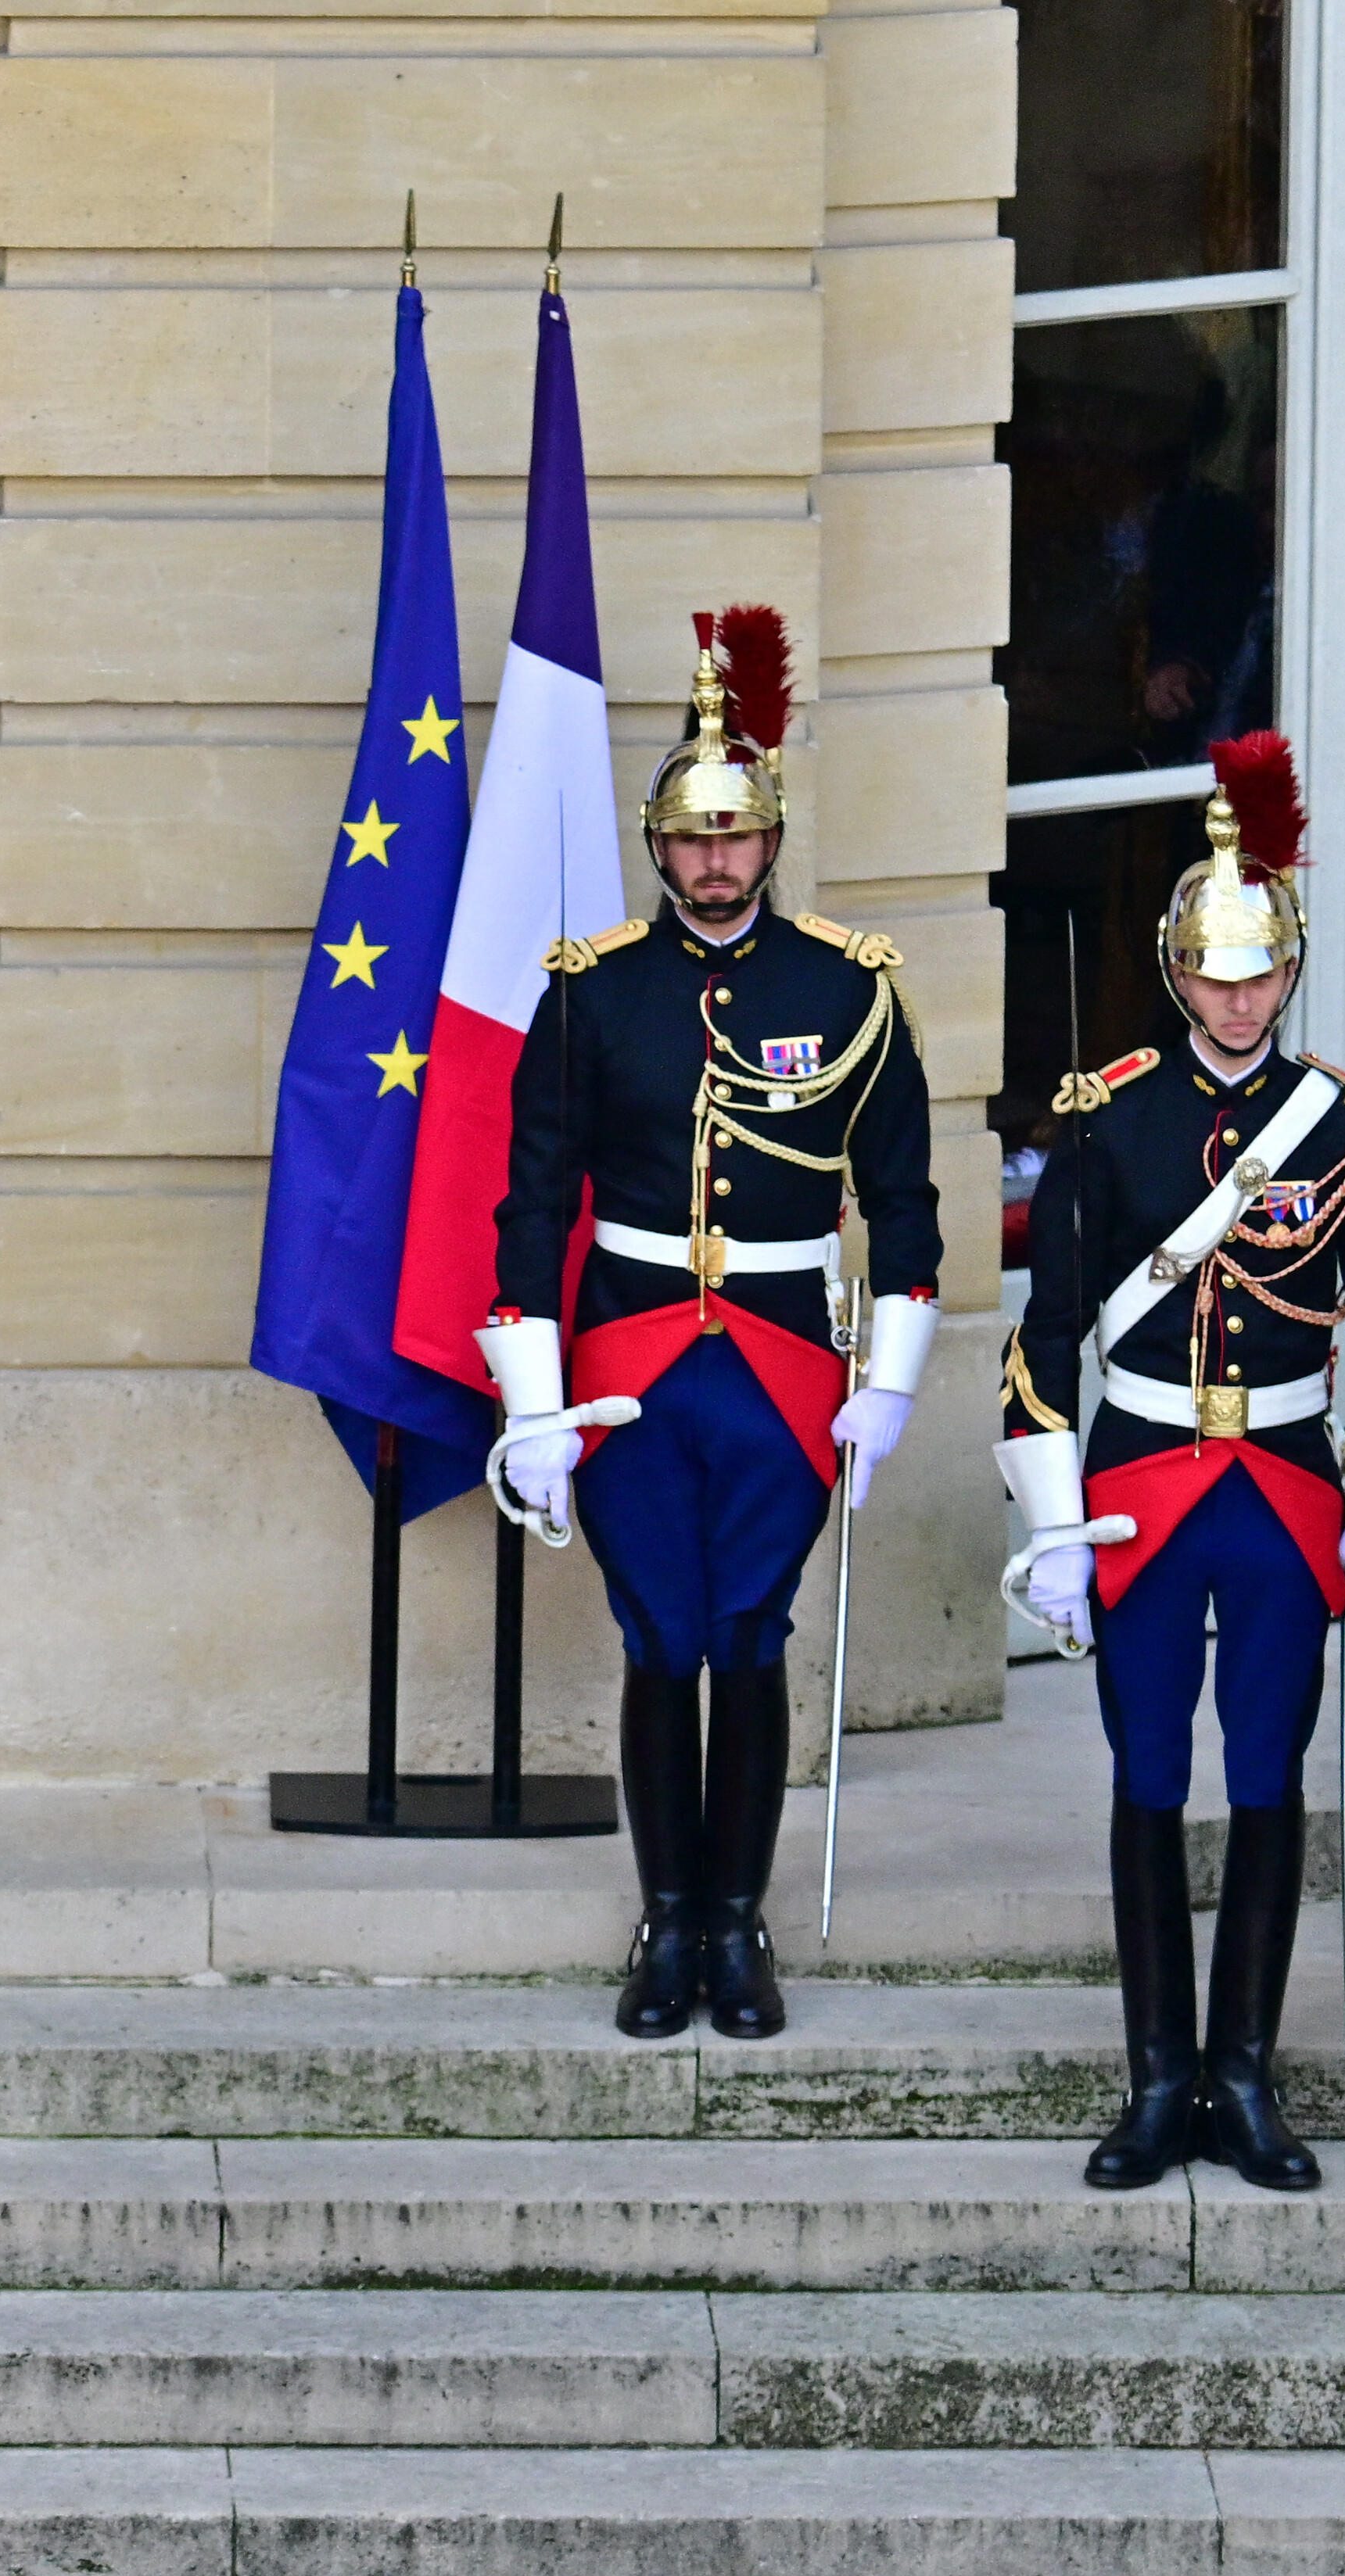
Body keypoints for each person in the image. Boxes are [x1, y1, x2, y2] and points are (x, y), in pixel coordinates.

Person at [479, 610, 945, 2042]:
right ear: (658, 845)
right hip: (625, 1354)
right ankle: (662, 1918)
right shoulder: (593, 989)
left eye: (737, 835)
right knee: (656, 1636)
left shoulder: (846, 987)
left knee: (748, 1634)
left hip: (787, 1355)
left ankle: (736, 1924)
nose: (715, 862)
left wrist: (891, 1384)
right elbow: (528, 1208)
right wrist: (534, 1404)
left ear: (773, 837)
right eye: (691, 837)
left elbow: (907, 1203)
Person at [991, 736, 1345, 2191]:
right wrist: (1056, 1525)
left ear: (1286, 972)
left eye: (1259, 976)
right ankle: (1155, 2073)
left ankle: (1244, 2071)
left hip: (1286, 1481)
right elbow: (1045, 1338)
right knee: (1144, 1767)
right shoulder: (1110, 1117)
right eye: (1214, 976)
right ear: (1177, 975)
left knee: (1263, 1771)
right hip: (1139, 1476)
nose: (1238, 999)